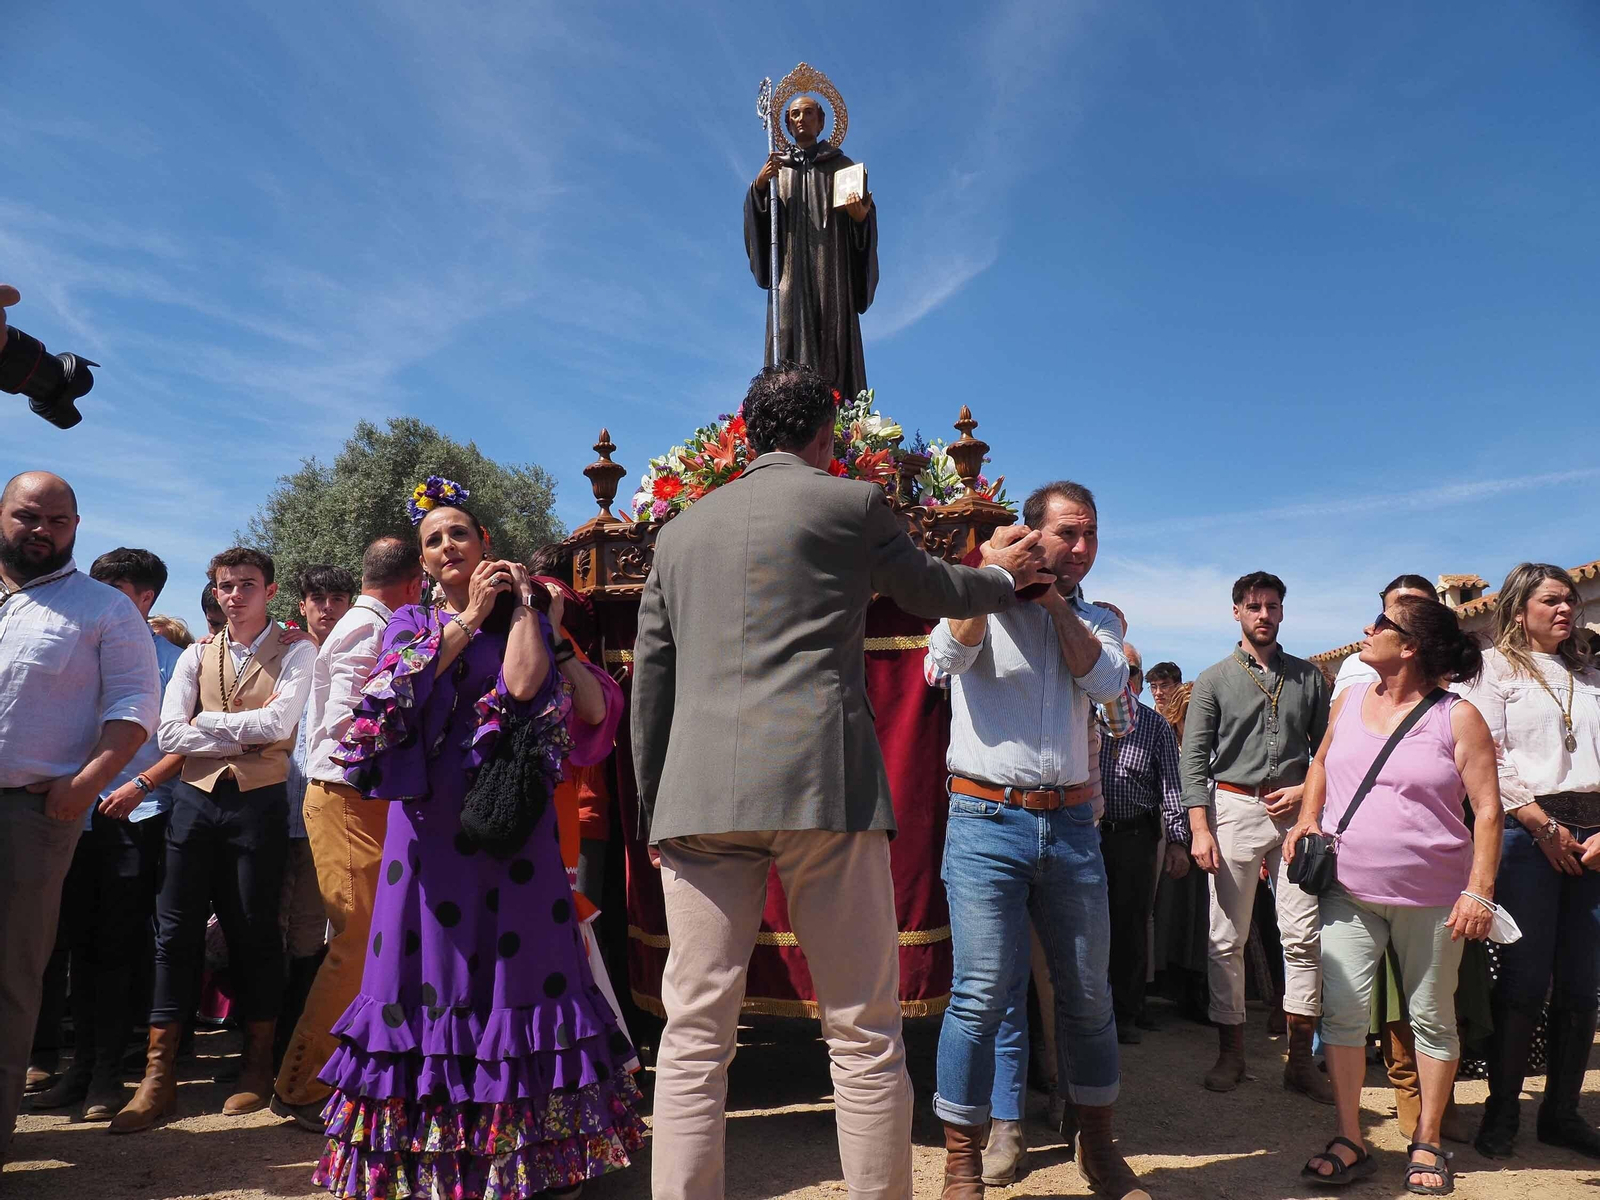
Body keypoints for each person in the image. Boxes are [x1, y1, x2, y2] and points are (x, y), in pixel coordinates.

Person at [631, 362, 1050, 1200]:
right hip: (824, 786)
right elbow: (933, 591)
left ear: (744, 436)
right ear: (827, 434)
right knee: (862, 1032)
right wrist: (1003, 574)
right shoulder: (851, 504)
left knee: (693, 1038)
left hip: (697, 801)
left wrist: (655, 809)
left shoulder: (677, 533)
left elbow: (652, 678)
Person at [313, 480, 645, 1197]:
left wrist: (531, 613)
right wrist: (465, 618)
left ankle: (529, 1159)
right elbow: (385, 704)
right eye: (433, 540)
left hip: (513, 833)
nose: (447, 546)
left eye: (458, 533)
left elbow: (531, 691)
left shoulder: (532, 617)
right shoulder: (409, 627)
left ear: (485, 542)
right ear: (424, 562)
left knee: (520, 979)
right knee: (432, 978)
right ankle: (433, 1165)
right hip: (428, 838)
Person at [926, 479, 1156, 1200]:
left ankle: (1099, 1147)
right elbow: (940, 665)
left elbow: (1109, 685)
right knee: (981, 994)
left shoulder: (1099, 618)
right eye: (1068, 535)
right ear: (1032, 535)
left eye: (1091, 535)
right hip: (985, 821)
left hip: (1072, 827)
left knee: (1089, 996)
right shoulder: (974, 600)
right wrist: (993, 583)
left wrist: (1053, 601)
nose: (1082, 549)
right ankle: (964, 1160)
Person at [1285, 595, 1500, 1193]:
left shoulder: (1457, 718)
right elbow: (1322, 763)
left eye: (1380, 625)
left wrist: (1479, 890)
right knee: (1345, 1013)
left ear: (1408, 647)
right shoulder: (1351, 699)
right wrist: (1307, 819)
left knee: (1432, 1017)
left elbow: (1487, 810)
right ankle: (1351, 1136)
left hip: (1434, 896)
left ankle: (1426, 1140)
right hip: (1348, 889)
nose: (1366, 628)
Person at [113, 547, 317, 1132]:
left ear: (270, 591)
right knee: (173, 930)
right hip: (195, 803)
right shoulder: (199, 653)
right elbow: (168, 729)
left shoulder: (297, 650)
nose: (234, 595)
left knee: (254, 927)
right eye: (226, 586)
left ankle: (256, 1065)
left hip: (258, 804)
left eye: (247, 585)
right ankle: (159, 1076)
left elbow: (281, 725)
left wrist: (206, 728)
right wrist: (236, 736)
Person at [0, 473, 161, 1162]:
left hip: (30, 814)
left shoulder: (102, 609)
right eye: (27, 515)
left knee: (10, 977)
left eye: (58, 521)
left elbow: (134, 710)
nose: (42, 529)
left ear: (75, 526)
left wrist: (80, 789)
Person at [27, 550, 185, 1124]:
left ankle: (107, 1076)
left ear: (146, 599)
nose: (103, 599)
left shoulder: (172, 661)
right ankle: (77, 1068)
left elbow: (180, 743)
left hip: (134, 819)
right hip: (69, 817)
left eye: (119, 589)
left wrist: (140, 786)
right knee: (76, 949)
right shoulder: (74, 652)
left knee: (118, 950)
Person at [271, 540, 421, 1129]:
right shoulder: (366, 625)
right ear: (415, 583)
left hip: (360, 798)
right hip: (346, 796)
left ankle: (347, 1073)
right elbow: (344, 721)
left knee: (376, 935)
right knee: (359, 938)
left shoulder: (372, 621)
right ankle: (301, 1084)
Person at [1460, 563, 1600, 1160]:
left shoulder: (1594, 674)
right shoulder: (1492, 670)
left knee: (1582, 980)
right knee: (1522, 978)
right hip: (1527, 832)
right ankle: (1501, 1113)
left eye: (1571, 600)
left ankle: (1562, 1113)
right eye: (1551, 601)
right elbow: (1487, 755)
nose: (1566, 609)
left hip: (1594, 836)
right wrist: (1541, 825)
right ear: (1520, 610)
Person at [1180, 571, 1332, 1101]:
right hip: (1233, 808)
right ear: (1237, 612)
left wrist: (1304, 795)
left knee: (1303, 936)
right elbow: (1193, 760)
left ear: (1283, 611)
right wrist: (1199, 828)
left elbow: (1326, 752)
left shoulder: (1309, 678)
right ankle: (1232, 1053)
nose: (1262, 614)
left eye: (1271, 605)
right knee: (1227, 938)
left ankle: (1298, 1061)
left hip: (1294, 815)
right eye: (1252, 606)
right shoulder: (1213, 680)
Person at [274, 566, 356, 1072]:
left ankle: (301, 1053)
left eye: (337, 597)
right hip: (273, 811)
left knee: (313, 935)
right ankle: (264, 1048)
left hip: (326, 819)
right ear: (302, 605)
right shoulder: (284, 656)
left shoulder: (363, 653)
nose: (327, 607)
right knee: (266, 930)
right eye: (317, 598)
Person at [745, 94, 877, 398]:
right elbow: (761, 228)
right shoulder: (778, 170)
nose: (800, 118)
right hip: (791, 268)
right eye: (794, 114)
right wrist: (760, 188)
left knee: (831, 330)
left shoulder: (842, 167)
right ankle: (787, 409)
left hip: (831, 267)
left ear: (820, 121)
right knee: (789, 328)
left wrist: (860, 219)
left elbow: (864, 217)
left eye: (807, 113)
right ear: (787, 123)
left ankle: (836, 414)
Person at [1099, 644, 1192, 1046]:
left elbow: (1172, 788)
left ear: (1136, 679)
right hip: (1085, 834)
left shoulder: (1155, 728)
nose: (1124, 676)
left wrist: (1178, 842)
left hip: (1135, 839)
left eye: (1130, 669)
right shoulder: (1081, 717)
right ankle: (1087, 1014)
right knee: (1084, 927)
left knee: (1130, 926)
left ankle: (1126, 1012)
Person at [1332, 575, 1437, 699]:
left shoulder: (1456, 704)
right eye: (1389, 615)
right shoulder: (1358, 669)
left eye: (1416, 610)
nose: (1367, 629)